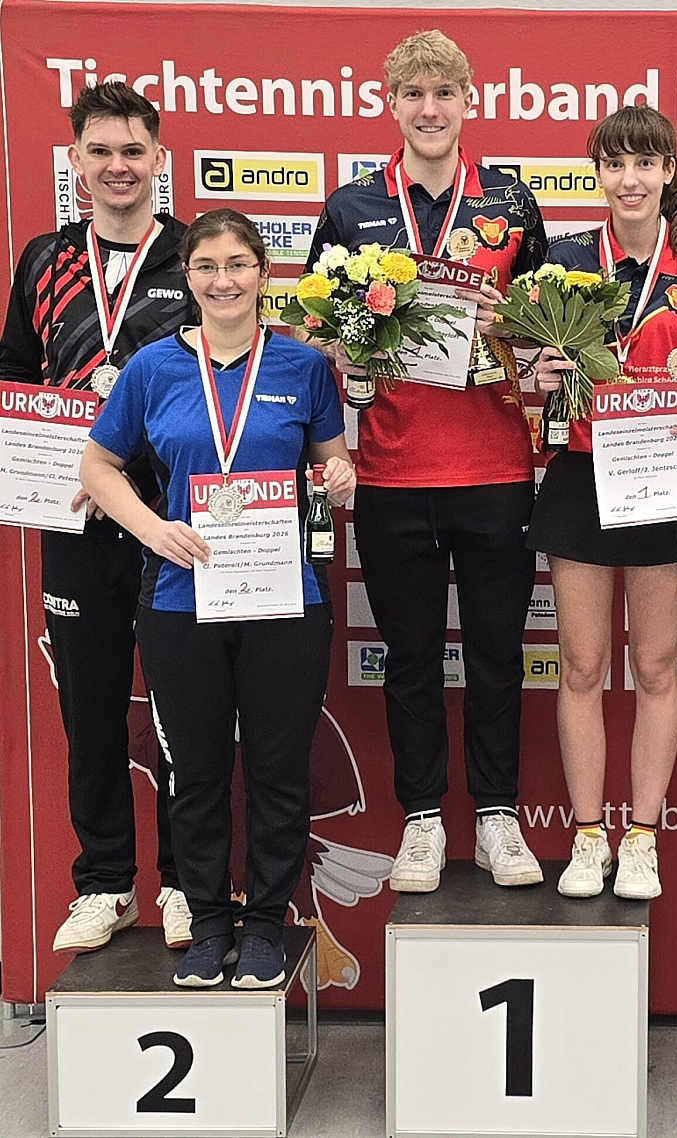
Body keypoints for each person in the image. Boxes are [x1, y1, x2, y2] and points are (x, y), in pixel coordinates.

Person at [79, 209, 357, 988]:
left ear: (263, 273)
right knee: (196, 773)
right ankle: (207, 922)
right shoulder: (151, 368)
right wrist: (151, 527)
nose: (223, 280)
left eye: (238, 264)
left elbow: (332, 464)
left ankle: (265, 923)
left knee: (278, 769)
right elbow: (97, 466)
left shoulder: (303, 366)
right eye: (207, 266)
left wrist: (340, 476)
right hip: (181, 598)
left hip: (284, 595)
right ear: (188, 276)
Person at [305, 30, 548, 892]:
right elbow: (315, 334)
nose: (430, 109)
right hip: (391, 473)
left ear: (469, 101)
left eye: (445, 92)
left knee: (496, 655)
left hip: (495, 469)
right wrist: (343, 347)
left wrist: (521, 338)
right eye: (414, 93)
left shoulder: (511, 202)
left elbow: (548, 327)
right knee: (408, 657)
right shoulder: (352, 206)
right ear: (391, 104)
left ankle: (497, 816)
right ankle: (420, 818)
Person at [0, 81, 191, 953]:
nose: (119, 167)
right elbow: (15, 370)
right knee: (89, 707)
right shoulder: (44, 260)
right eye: (101, 152)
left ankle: (185, 879)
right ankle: (107, 882)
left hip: (173, 522)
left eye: (133, 151)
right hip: (71, 522)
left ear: (159, 159)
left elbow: (221, 380)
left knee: (185, 706)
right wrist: (42, 457)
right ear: (76, 161)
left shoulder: (194, 255)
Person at [531, 105, 677, 901]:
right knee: (582, 664)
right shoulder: (565, 258)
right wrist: (541, 374)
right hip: (583, 473)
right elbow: (533, 367)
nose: (630, 179)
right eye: (615, 164)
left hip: (659, 470)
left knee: (655, 664)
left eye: (645, 163)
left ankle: (643, 837)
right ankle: (588, 837)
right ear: (598, 174)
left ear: (668, 171)